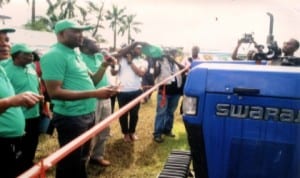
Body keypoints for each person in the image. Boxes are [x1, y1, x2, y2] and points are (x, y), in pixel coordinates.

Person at [40, 19, 118, 178]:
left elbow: (93, 81)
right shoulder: (54, 55)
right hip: (71, 117)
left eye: (82, 31)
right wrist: (95, 94)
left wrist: (104, 66)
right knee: (70, 162)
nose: (81, 35)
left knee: (82, 158)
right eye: (75, 31)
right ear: (61, 34)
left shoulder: (75, 53)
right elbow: (54, 92)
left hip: (88, 113)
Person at [0, 27, 43, 178]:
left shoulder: (3, 68)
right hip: (6, 135)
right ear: (16, 56)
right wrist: (11, 101)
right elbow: (9, 99)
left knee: (27, 150)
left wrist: (43, 104)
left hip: (28, 120)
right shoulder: (6, 67)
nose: (4, 44)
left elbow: (38, 85)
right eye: (26, 54)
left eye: (6, 40)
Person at [79, 37, 115, 167]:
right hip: (92, 99)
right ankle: (85, 160)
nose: (98, 44)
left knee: (104, 128)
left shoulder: (99, 56)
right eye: (94, 42)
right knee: (91, 130)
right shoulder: (80, 59)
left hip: (106, 98)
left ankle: (97, 156)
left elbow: (106, 75)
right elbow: (93, 80)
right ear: (85, 45)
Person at [112, 44, 148, 142]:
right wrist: (116, 65)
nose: (139, 50)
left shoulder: (143, 61)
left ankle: (132, 132)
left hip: (136, 91)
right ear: (132, 49)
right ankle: (125, 133)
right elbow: (113, 72)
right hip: (122, 91)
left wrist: (130, 62)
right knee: (123, 114)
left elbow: (140, 73)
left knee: (134, 114)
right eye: (137, 48)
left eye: (140, 49)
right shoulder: (120, 59)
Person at [153, 49, 185, 143]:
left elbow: (184, 69)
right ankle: (157, 133)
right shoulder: (160, 62)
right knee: (161, 112)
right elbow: (155, 74)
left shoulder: (175, 64)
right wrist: (157, 61)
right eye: (170, 54)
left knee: (170, 112)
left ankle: (167, 130)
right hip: (164, 92)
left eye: (173, 54)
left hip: (176, 92)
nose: (171, 55)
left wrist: (174, 61)